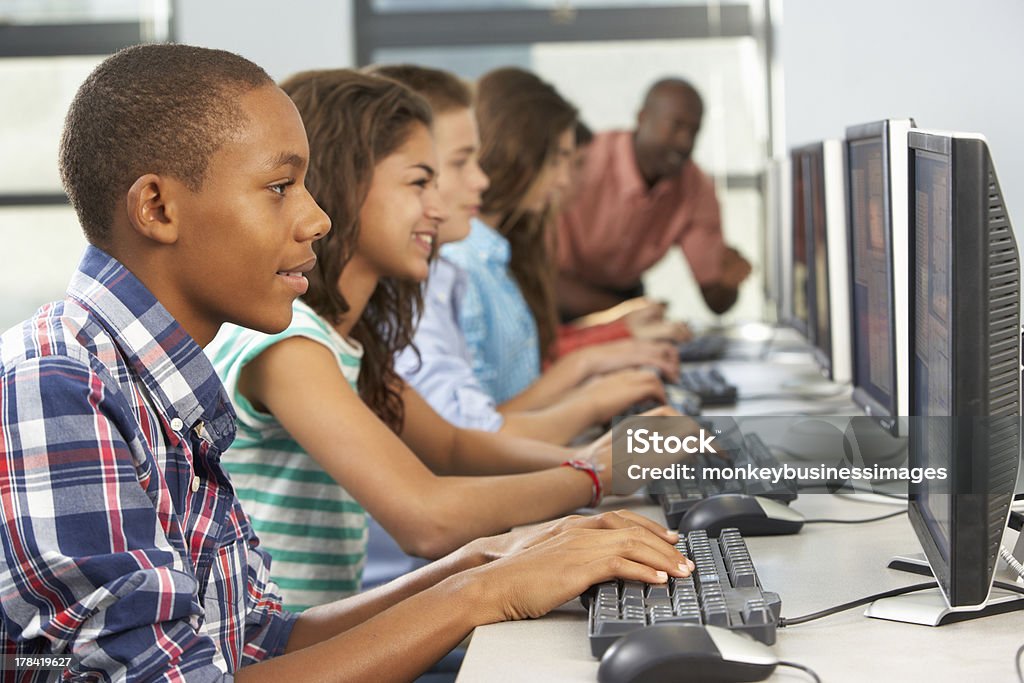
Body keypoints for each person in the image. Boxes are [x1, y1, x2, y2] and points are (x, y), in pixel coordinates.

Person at [0, 45, 692, 681]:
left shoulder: (163, 383)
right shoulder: (60, 385)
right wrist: (486, 586)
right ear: (157, 206)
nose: (316, 219)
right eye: (280, 187)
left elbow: (254, 640)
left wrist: (488, 561)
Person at [206, 68, 694, 610]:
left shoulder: (346, 343)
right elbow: (425, 518)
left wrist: (594, 456)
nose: (439, 208)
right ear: (347, 183)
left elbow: (458, 446)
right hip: (285, 652)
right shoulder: (291, 346)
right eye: (420, 183)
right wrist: (596, 472)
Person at [378, 65, 674, 444]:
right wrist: (592, 405)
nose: (567, 180)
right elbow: (469, 439)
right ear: (522, 154)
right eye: (560, 159)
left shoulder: (465, 265)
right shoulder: (458, 263)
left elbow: (470, 431)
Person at [556, 77, 753, 319]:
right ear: (641, 117)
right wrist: (630, 312)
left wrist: (728, 282)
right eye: (676, 126)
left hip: (626, 296)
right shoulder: (582, 162)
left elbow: (716, 301)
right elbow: (541, 281)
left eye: (694, 131)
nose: (685, 142)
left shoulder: (695, 187)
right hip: (559, 293)